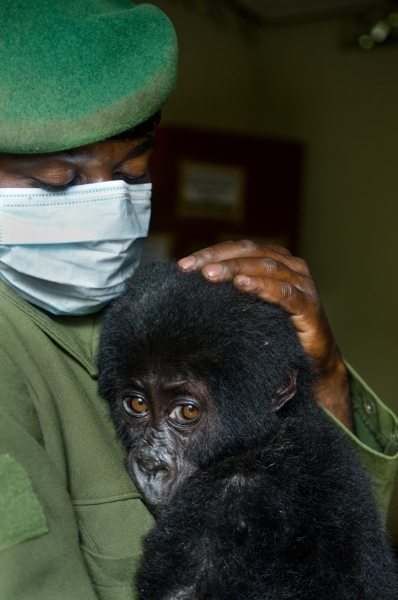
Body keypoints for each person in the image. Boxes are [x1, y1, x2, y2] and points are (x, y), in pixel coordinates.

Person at [0, 1, 396, 599]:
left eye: (133, 172)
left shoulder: (153, 308)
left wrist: (325, 376)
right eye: (59, 182)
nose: (109, 207)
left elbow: (334, 550)